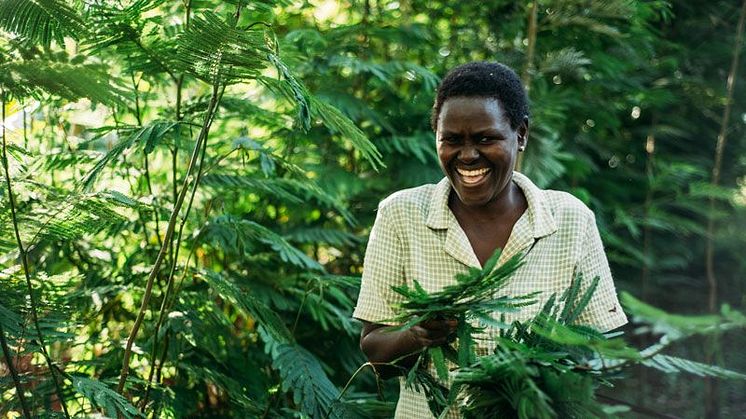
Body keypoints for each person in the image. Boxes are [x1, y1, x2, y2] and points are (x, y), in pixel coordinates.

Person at [352, 61, 628, 418]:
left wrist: (536, 372)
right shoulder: (401, 216)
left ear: (522, 134)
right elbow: (376, 354)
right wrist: (417, 336)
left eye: (486, 139)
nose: (467, 155)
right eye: (451, 140)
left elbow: (597, 349)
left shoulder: (570, 220)